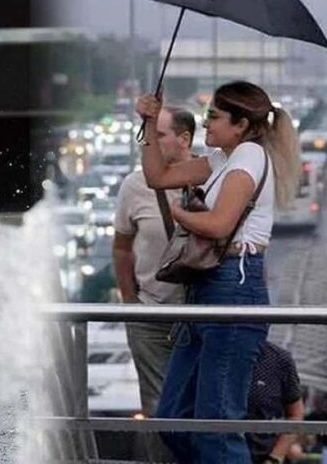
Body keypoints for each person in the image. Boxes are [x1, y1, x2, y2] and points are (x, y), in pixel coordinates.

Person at [137, 81, 301, 463]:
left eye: (214, 116)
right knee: (172, 416)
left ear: (241, 124)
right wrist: (148, 124)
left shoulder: (248, 155)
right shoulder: (220, 160)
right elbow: (157, 177)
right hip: (206, 286)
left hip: (234, 284)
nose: (205, 123)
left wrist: (179, 215)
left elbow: (218, 225)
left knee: (217, 419)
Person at [113, 106, 195, 461]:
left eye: (158, 135)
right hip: (150, 314)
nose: (149, 142)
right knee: (159, 408)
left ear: (184, 139)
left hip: (201, 313)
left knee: (201, 406)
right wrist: (131, 303)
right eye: (146, 135)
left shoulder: (210, 176)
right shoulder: (135, 185)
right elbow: (121, 248)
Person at [246, 341, 305, 464]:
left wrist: (274, 458)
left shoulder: (279, 360)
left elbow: (295, 414)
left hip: (261, 455)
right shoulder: (205, 352)